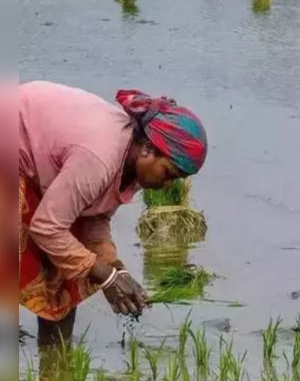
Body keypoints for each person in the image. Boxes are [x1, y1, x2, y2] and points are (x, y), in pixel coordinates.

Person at [17, 82, 208, 347]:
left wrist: (116, 269)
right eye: (169, 174)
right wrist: (107, 278)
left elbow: (94, 219)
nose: (167, 185)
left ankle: (56, 361)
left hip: (28, 159)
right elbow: (47, 228)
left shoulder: (128, 165)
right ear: (148, 149)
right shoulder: (99, 159)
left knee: (69, 261)